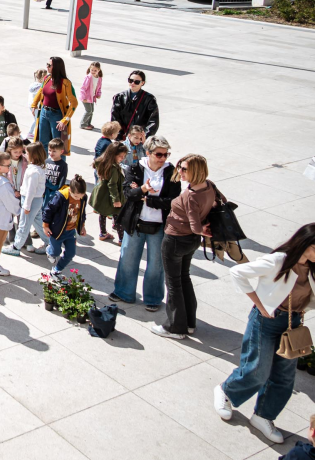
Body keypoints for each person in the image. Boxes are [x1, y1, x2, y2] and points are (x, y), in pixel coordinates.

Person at [215, 224, 315, 445]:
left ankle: (263, 416)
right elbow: (237, 272)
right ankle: (226, 391)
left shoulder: (312, 268)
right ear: (307, 244)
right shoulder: (279, 260)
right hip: (267, 320)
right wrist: (259, 305)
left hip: (293, 324)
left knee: (285, 377)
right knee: (257, 370)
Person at [108, 135, 179, 310]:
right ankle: (124, 292)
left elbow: (173, 200)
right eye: (159, 154)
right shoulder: (135, 168)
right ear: (148, 153)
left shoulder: (171, 172)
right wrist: (144, 189)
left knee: (156, 264)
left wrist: (147, 199)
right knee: (128, 259)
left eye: (165, 154)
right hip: (136, 222)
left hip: (159, 226)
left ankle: (153, 298)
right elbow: (128, 194)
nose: (163, 158)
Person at [153, 154, 215, 340]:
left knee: (173, 284)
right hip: (189, 242)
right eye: (180, 167)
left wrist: (202, 229)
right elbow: (219, 202)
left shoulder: (190, 195)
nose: (180, 171)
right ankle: (189, 323)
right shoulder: (209, 186)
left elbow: (195, 226)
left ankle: (175, 327)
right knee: (184, 279)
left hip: (175, 240)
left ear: (196, 170)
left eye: (185, 169)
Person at [30, 56, 78, 154]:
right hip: (44, 112)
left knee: (58, 145)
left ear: (56, 67)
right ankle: (44, 165)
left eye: (49, 65)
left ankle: (58, 167)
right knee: (43, 143)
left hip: (57, 116)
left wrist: (65, 120)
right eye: (47, 64)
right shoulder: (47, 78)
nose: (47, 67)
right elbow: (41, 91)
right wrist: (34, 104)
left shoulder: (66, 83)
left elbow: (74, 102)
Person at [42, 175, 88, 274]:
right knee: (56, 252)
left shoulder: (83, 198)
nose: (78, 198)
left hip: (71, 231)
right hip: (57, 230)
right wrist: (45, 225)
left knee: (71, 253)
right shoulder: (61, 197)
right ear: (70, 190)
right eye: (76, 196)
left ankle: (57, 270)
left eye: (81, 196)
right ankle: (49, 250)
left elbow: (82, 212)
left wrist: (82, 226)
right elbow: (48, 210)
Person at [89, 141, 128, 242]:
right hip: (111, 196)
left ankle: (103, 233)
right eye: (120, 156)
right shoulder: (114, 168)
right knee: (117, 216)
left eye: (124, 156)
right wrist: (116, 200)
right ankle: (122, 239)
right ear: (113, 155)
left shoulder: (102, 162)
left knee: (102, 213)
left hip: (102, 194)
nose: (122, 158)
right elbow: (112, 184)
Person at [110, 69, 160, 137]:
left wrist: (144, 137)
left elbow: (153, 121)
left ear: (142, 83)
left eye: (137, 82)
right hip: (123, 137)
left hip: (139, 138)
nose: (132, 83)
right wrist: (119, 136)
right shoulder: (119, 97)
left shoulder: (149, 99)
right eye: (130, 81)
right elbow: (115, 118)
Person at [79, 61, 104, 130]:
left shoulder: (99, 78)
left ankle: (88, 123)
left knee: (91, 110)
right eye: (92, 70)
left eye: (95, 70)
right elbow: (83, 88)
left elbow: (99, 87)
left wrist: (98, 94)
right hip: (86, 97)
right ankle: (83, 124)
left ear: (99, 70)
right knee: (88, 111)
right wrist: (83, 97)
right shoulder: (88, 77)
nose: (93, 71)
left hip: (92, 97)